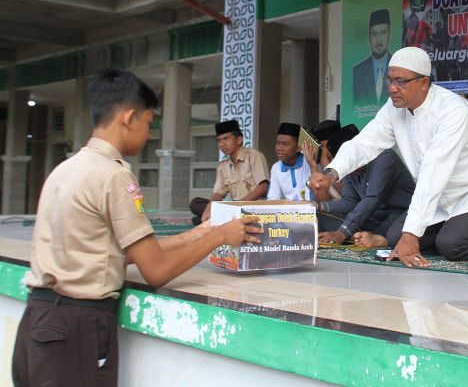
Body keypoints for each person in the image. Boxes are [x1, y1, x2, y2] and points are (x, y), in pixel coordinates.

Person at [12, 68, 262, 387]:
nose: (147, 135)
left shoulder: (64, 170)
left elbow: (124, 252)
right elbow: (155, 270)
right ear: (129, 117)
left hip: (37, 322)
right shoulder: (115, 176)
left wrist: (199, 233)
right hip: (77, 330)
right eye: (148, 123)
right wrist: (220, 236)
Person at [312, 46, 468, 268]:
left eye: (400, 81)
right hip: (439, 196)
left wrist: (411, 236)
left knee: (451, 246)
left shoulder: (453, 110)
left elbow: (434, 172)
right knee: (397, 236)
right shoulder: (394, 108)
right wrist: (332, 174)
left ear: (424, 83)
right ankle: (453, 228)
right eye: (390, 80)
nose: (392, 88)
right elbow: (365, 142)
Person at [315, 124, 415, 247]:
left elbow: (373, 199)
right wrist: (316, 206)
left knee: (392, 235)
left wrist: (342, 232)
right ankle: (358, 235)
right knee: (316, 217)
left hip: (398, 215)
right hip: (370, 218)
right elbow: (350, 202)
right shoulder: (346, 167)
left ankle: (367, 237)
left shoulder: (385, 157)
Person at [189, 119, 270, 224]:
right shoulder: (223, 165)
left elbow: (263, 187)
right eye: (219, 140)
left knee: (204, 217)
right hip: (233, 208)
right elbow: (218, 193)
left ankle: (218, 221)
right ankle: (222, 219)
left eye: (226, 139)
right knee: (196, 203)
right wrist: (209, 208)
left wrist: (238, 206)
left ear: (239, 140)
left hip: (253, 207)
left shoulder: (254, 156)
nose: (222, 144)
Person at [353, 9, 392, 107]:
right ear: (369, 38)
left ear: (389, 35)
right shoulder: (357, 72)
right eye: (374, 34)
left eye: (383, 33)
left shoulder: (399, 68)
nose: (379, 40)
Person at [267, 122, 312, 201]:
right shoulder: (276, 168)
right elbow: (272, 199)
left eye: (285, 144)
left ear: (299, 147)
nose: (279, 148)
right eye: (277, 143)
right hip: (288, 212)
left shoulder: (308, 163)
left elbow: (310, 200)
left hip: (309, 211)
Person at [303, 119, 342, 201]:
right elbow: (322, 200)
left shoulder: (345, 159)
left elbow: (344, 194)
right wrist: (313, 167)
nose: (320, 151)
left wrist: (325, 162)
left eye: (323, 146)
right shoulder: (319, 164)